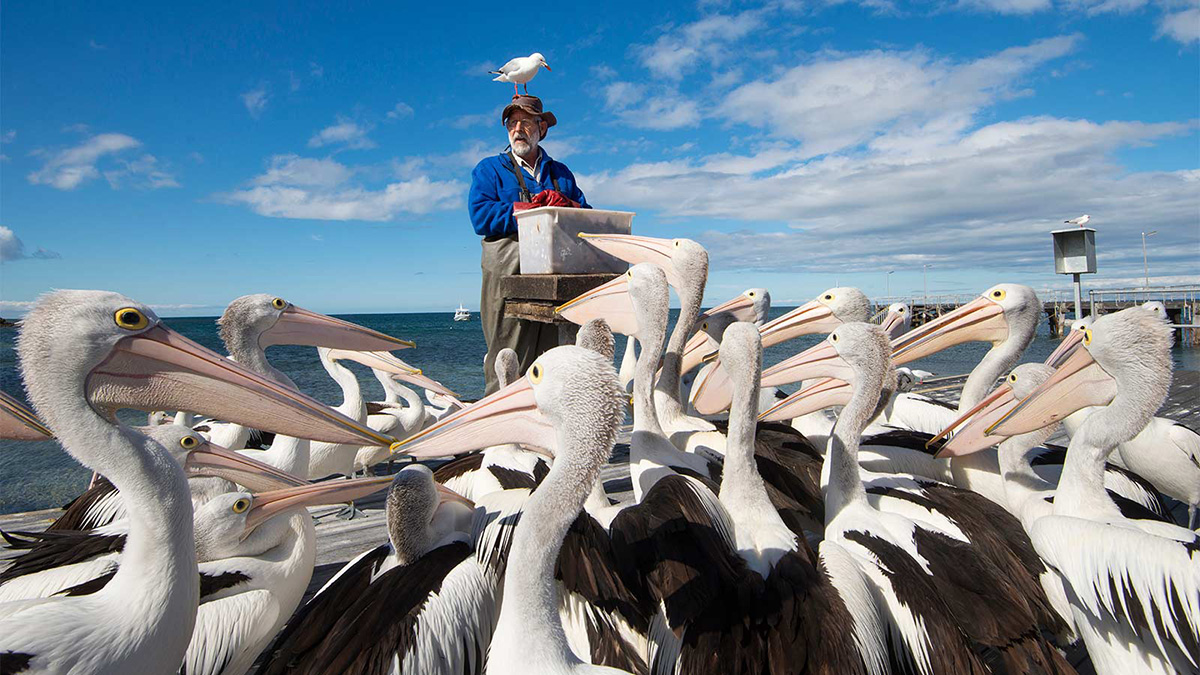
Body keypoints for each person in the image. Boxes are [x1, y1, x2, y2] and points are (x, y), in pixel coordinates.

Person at [468, 95, 590, 394]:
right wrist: (528, 210)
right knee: (507, 356)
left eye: (525, 122)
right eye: (512, 123)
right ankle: (499, 433)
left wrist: (567, 204)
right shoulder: (489, 169)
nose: (517, 129)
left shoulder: (561, 173)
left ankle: (543, 431)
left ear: (541, 128)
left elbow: (587, 217)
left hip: (555, 279)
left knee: (553, 359)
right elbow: (480, 217)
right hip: (508, 274)